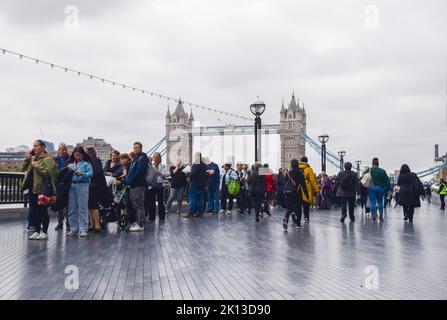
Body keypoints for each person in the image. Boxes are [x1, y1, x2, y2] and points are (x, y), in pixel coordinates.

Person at [21, 139, 58, 240]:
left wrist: (37, 166)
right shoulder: (33, 158)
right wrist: (27, 159)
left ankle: (44, 232)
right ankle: (37, 231)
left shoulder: (48, 159)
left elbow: (49, 174)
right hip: (32, 188)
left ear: (43, 147)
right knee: (35, 211)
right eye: (33, 146)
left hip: (42, 189)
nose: (34, 148)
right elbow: (23, 168)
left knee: (42, 211)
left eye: (36, 146)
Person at [66, 147, 93, 237]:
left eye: (79, 155)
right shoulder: (71, 164)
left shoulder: (87, 164)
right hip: (72, 185)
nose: (77, 157)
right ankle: (73, 228)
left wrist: (83, 174)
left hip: (82, 185)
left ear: (83, 155)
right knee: (72, 208)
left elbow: (91, 174)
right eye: (75, 155)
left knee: (83, 208)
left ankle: (83, 229)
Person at [124, 142, 149, 232]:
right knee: (135, 205)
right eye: (134, 148)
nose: (135, 149)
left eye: (137, 147)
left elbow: (139, 172)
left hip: (139, 184)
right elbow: (131, 172)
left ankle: (140, 224)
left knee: (139, 204)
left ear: (141, 148)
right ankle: (137, 222)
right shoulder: (136, 158)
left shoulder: (143, 158)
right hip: (133, 184)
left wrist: (129, 180)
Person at [86, 147, 108, 233]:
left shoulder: (96, 161)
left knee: (94, 206)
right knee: (90, 206)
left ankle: (97, 225)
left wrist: (87, 174)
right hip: (90, 186)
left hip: (94, 186)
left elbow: (97, 173)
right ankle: (92, 224)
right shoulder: (91, 161)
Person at [283, 159, 308, 230]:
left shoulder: (288, 173)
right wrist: (307, 196)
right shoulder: (300, 173)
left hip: (289, 193)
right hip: (297, 193)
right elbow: (304, 185)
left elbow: (285, 183)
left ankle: (286, 218)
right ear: (297, 165)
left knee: (289, 208)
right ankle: (298, 224)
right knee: (298, 208)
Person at [54, 142, 71, 231]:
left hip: (68, 183)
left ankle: (68, 223)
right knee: (59, 204)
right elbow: (55, 172)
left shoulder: (70, 158)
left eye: (65, 149)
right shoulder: (55, 159)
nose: (64, 151)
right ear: (59, 150)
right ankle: (60, 223)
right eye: (62, 149)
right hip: (59, 183)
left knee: (68, 205)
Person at [368, 158, 391, 222]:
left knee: (372, 203)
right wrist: (389, 189)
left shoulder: (369, 170)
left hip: (371, 188)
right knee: (380, 202)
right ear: (378, 163)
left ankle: (372, 217)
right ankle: (380, 217)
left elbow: (363, 178)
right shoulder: (382, 171)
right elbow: (387, 181)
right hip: (380, 188)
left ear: (372, 163)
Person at [185, 152, 208, 218]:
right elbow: (205, 174)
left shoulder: (195, 164)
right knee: (200, 200)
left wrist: (187, 173)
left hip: (194, 184)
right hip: (202, 185)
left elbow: (193, 174)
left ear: (197, 157)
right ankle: (199, 212)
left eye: (195, 156)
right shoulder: (204, 165)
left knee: (192, 199)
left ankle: (190, 213)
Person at [298, 157, 319, 223]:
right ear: (307, 161)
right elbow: (313, 180)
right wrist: (317, 190)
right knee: (306, 204)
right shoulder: (309, 169)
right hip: (306, 187)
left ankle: (296, 216)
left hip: (297, 188)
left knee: (298, 204)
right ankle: (306, 218)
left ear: (301, 161)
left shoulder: (297, 167)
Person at [147, 152, 166, 221]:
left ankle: (162, 217)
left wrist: (157, 172)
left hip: (159, 185)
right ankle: (151, 217)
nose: (155, 158)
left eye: (157, 157)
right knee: (151, 202)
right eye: (154, 157)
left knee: (161, 202)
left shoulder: (163, 166)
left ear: (159, 158)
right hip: (151, 186)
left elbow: (164, 175)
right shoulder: (150, 166)